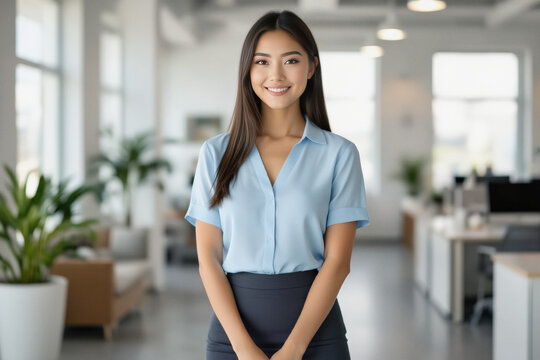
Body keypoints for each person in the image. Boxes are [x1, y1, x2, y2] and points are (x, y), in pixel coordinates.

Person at [184, 10, 370, 360]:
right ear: (248, 70)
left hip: (316, 337)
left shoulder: (339, 154)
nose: (276, 75)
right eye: (262, 61)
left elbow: (337, 261)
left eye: (291, 60)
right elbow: (208, 257)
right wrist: (243, 349)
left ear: (312, 67)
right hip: (232, 337)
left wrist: (294, 349)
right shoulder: (215, 153)